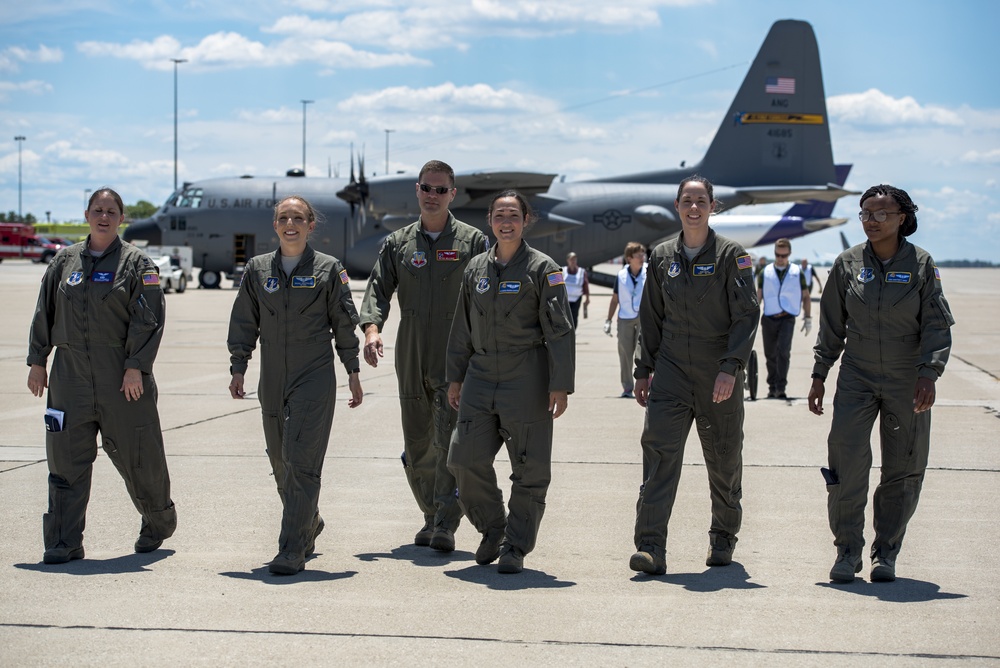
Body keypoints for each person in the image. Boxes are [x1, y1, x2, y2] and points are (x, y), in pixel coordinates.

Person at [808, 185, 954, 584]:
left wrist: (929, 374)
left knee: (903, 468)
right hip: (856, 375)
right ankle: (847, 551)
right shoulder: (847, 263)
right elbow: (832, 326)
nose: (872, 221)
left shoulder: (922, 265)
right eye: (865, 213)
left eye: (881, 214)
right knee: (846, 462)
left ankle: (885, 554)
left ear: (902, 218)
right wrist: (820, 374)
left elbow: (937, 327)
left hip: (907, 379)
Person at [27, 187, 177, 564]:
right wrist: (38, 361)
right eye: (98, 210)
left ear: (121, 218)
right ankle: (63, 541)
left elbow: (149, 320)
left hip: (122, 377)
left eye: (111, 211)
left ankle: (158, 521)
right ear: (87, 215)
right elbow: (44, 311)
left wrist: (135, 367)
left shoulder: (138, 264)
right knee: (65, 460)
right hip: (69, 376)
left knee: (139, 457)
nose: (104, 216)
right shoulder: (63, 262)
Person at [629, 176, 760, 576]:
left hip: (716, 373)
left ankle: (723, 538)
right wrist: (643, 369)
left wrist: (730, 368)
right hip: (670, 372)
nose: (693, 208)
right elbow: (650, 318)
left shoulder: (731, 255)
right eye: (687, 200)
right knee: (659, 457)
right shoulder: (662, 256)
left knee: (723, 459)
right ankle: (651, 547)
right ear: (677, 205)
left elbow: (746, 315)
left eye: (701, 201)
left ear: (712, 207)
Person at [228, 195, 363, 575]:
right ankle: (309, 521)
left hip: (314, 374)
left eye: (298, 218)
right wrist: (239, 367)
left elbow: (343, 323)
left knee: (301, 461)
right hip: (271, 376)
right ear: (275, 225)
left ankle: (291, 549)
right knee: (280, 461)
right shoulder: (256, 270)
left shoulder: (328, 269)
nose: (291, 224)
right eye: (284, 218)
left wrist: (352, 370)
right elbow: (244, 322)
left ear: (310, 225)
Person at [360, 160, 490, 552]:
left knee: (450, 441)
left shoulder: (473, 242)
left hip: (457, 354)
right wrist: (371, 330)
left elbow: (489, 296)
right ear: (417, 191)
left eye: (440, 189)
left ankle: (446, 523)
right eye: (426, 188)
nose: (433, 195)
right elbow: (378, 289)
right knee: (418, 442)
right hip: (412, 351)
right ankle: (431, 515)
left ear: (453, 194)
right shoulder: (398, 243)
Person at [446, 190, 575, 574]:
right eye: (500, 215)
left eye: (513, 216)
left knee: (528, 467)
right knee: (463, 459)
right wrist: (455, 377)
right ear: (489, 220)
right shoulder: (474, 270)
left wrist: (560, 384)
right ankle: (493, 528)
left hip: (527, 376)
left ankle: (515, 546)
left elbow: (560, 331)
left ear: (525, 221)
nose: (506, 222)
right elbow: (461, 329)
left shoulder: (543, 269)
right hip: (481, 376)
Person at [756, 238, 811, 399]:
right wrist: (751, 317)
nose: (780, 258)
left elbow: (806, 296)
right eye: (777, 255)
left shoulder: (796, 272)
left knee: (783, 352)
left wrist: (808, 318)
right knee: (770, 354)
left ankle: (781, 387)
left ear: (789, 254)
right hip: (769, 318)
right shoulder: (764, 272)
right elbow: (758, 296)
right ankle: (772, 386)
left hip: (787, 318)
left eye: (783, 255)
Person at [605, 242, 647, 398]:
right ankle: (628, 387)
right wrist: (608, 320)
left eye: (643, 255)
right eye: (638, 255)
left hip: (644, 317)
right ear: (629, 258)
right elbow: (615, 299)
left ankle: (645, 382)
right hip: (625, 317)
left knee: (642, 351)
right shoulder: (621, 275)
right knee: (625, 352)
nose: (642, 258)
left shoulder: (649, 271)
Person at [562, 252, 590, 329]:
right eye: (571, 259)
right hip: (565, 299)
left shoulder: (582, 272)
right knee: (565, 317)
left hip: (576, 299)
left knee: (574, 317)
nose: (573, 261)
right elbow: (555, 283)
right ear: (567, 260)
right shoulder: (562, 271)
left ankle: (573, 333)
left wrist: (587, 298)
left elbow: (586, 285)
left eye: (574, 259)